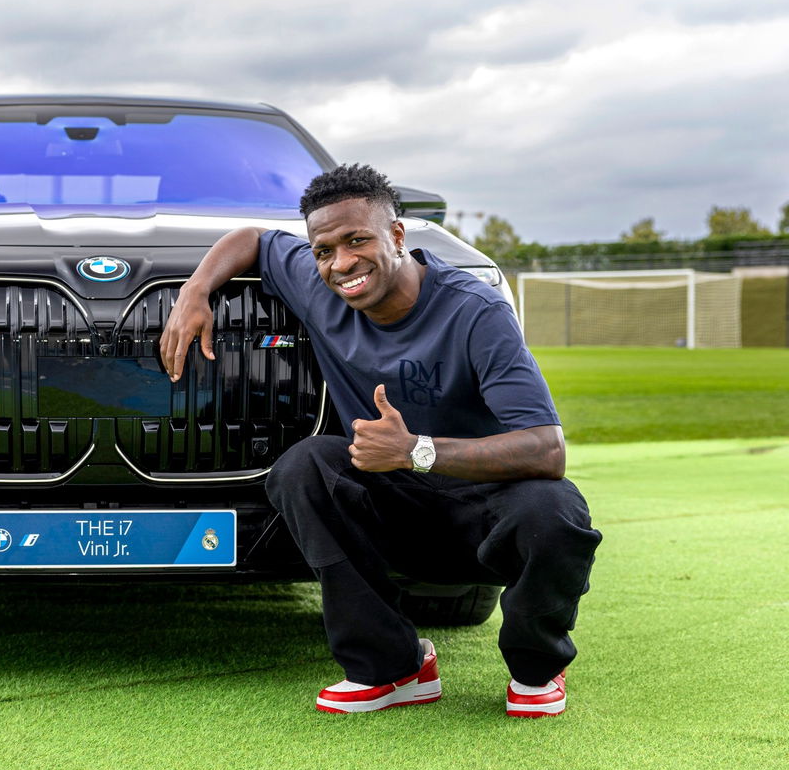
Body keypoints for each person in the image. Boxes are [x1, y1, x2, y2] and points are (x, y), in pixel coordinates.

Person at [159, 163, 601, 717]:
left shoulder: (475, 310)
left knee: (553, 508)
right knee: (306, 467)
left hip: (484, 511)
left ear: (396, 235)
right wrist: (196, 289)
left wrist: (416, 450)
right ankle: (394, 669)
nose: (341, 264)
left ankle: (537, 669)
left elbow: (547, 449)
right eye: (324, 251)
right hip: (393, 508)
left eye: (356, 241)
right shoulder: (324, 286)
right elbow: (251, 239)